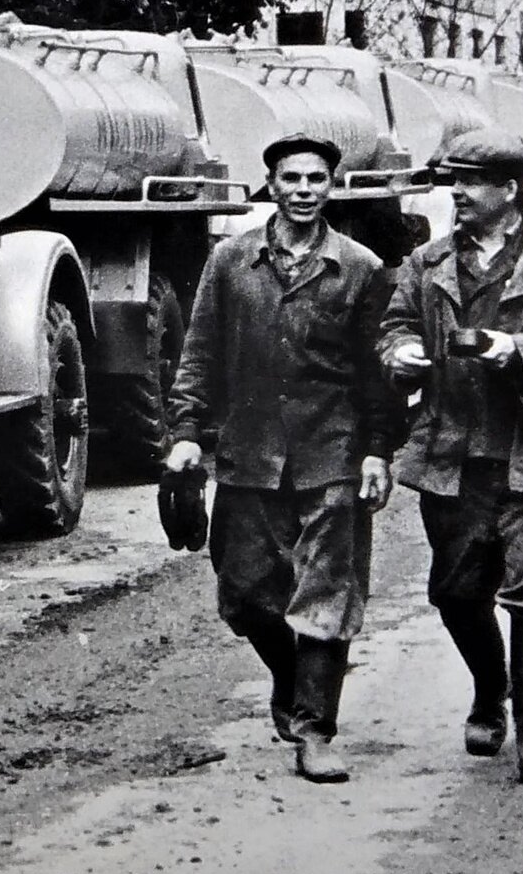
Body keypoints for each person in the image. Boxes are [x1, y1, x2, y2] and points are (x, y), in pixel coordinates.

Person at [379, 125, 523, 790]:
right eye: (453, 180)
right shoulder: (428, 262)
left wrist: (518, 350)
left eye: (472, 181)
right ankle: (491, 687)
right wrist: (399, 353)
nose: (457, 192)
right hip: (452, 452)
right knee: (456, 593)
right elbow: (395, 325)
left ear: (510, 189)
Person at [164, 131, 396, 784]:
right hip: (251, 452)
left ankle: (316, 730)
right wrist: (186, 430)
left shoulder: (359, 268)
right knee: (244, 595)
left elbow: (377, 374)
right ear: (271, 185)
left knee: (326, 593)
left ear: (332, 187)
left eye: (316, 178)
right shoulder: (231, 261)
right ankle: (294, 681)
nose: (303, 190)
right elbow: (200, 351)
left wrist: (378, 450)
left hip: (332, 453)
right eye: (291, 178)